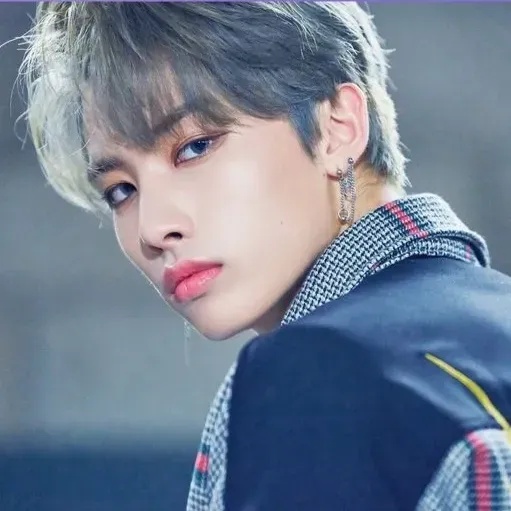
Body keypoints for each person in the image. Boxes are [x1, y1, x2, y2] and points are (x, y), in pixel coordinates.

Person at [21, 2, 511, 510]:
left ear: (337, 127)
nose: (152, 228)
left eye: (195, 147)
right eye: (121, 191)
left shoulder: (324, 375)